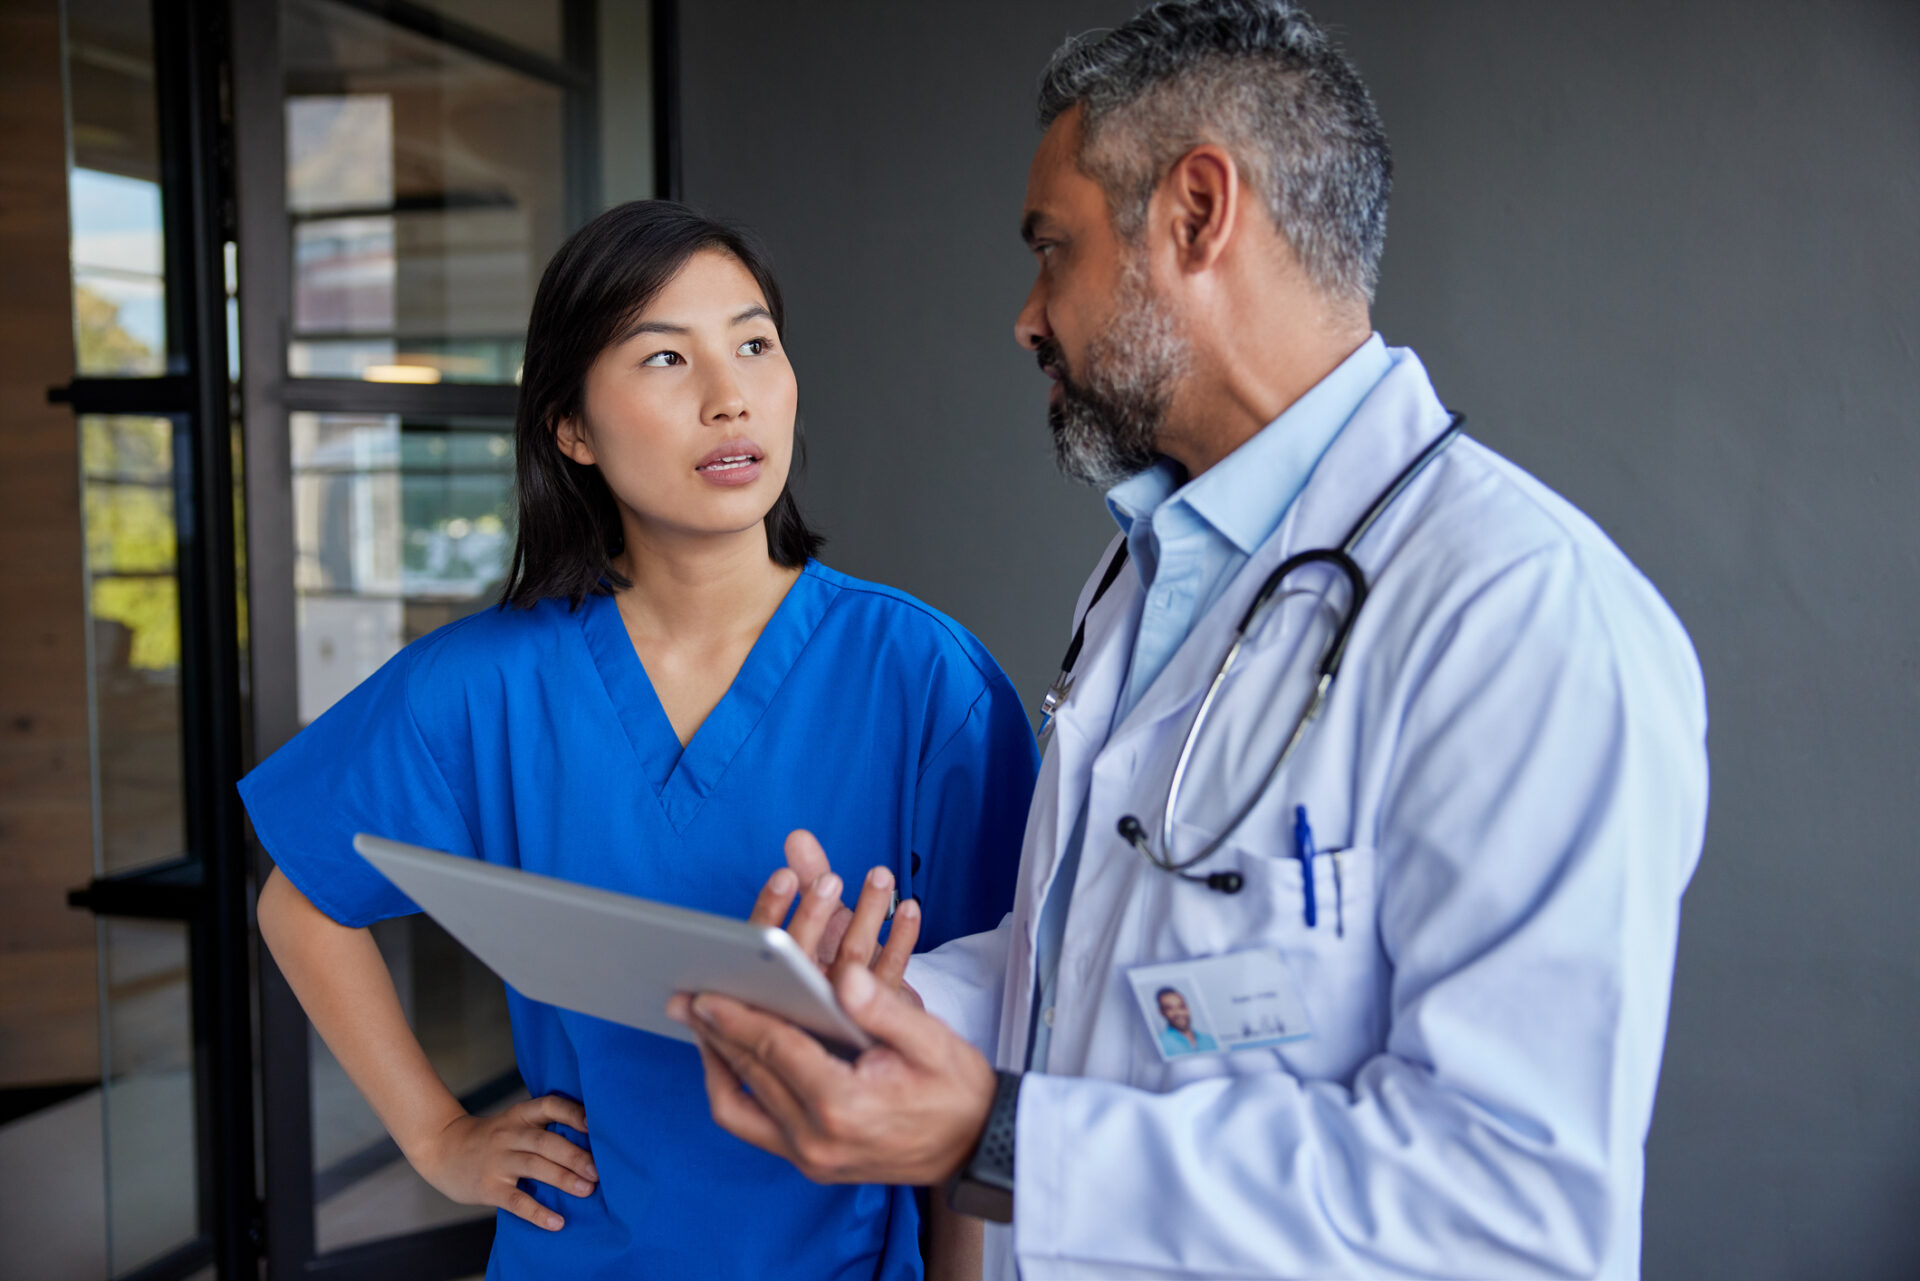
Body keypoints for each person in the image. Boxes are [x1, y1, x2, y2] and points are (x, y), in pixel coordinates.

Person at [668, 3, 1710, 1278]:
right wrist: (890, 1013)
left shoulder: (1520, 614)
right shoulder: (1150, 567)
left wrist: (996, 1137)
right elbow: (1100, 958)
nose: (1027, 318)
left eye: (1053, 249)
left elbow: (1508, 1214)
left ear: (1197, 213)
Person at [243, 201, 1039, 1281]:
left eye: (755, 343)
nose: (731, 396)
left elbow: (992, 1049)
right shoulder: (482, 687)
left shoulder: (923, 679)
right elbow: (300, 901)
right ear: (572, 427)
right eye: (666, 358)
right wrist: (438, 1138)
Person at [1154, 989, 1217, 1057]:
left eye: (1181, 1007)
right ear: (1161, 1012)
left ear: (1187, 1008)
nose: (1178, 1013)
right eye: (1170, 1008)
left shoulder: (1209, 1040)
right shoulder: (1160, 1044)